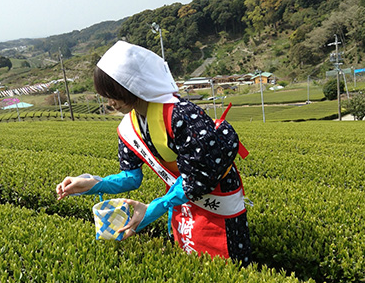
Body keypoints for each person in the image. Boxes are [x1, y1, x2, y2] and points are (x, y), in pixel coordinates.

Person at [56, 40, 252, 266]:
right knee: (191, 259)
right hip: (179, 198)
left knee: (227, 262)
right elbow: (130, 177)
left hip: (215, 196)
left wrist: (154, 208)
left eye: (114, 94)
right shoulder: (128, 126)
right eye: (105, 95)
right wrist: (92, 184)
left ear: (133, 86)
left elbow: (199, 176)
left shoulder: (182, 115)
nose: (111, 103)